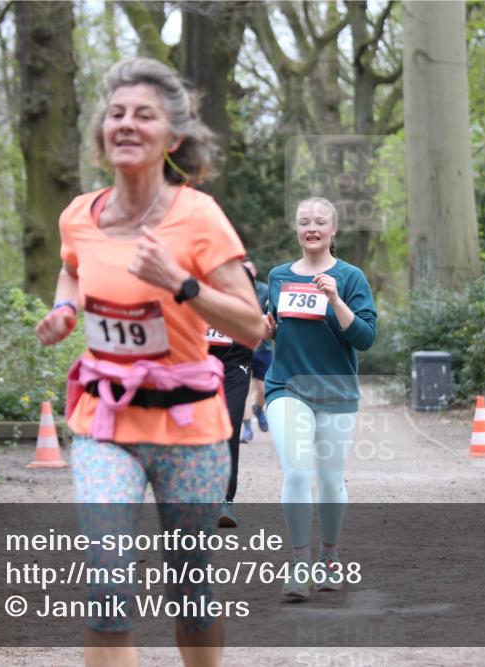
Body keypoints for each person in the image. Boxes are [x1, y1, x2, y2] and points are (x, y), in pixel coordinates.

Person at [34, 57, 263, 667]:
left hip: (190, 430)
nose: (127, 124)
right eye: (116, 114)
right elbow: (71, 267)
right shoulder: (80, 215)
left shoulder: (199, 217)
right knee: (106, 584)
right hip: (105, 424)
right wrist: (64, 308)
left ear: (173, 137)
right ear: (102, 132)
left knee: (191, 591)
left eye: (144, 115)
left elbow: (251, 324)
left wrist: (182, 284)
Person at [263, 197, 377, 602]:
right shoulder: (277, 276)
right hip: (286, 386)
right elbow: (272, 328)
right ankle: (298, 564)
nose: (311, 227)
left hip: (336, 390)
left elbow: (365, 337)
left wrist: (335, 300)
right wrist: (265, 328)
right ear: (296, 229)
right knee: (296, 470)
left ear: (334, 230)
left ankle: (329, 556)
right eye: (304, 221)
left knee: (329, 481)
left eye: (320, 222)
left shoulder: (350, 277)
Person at [205, 257, 259, 528]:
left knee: (228, 425)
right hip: (193, 361)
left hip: (233, 363)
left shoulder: (240, 274)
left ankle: (224, 499)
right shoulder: (182, 267)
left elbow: (252, 315)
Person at [240, 257, 271, 443]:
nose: (247, 272)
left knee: (262, 389)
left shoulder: (265, 290)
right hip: (240, 346)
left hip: (263, 348)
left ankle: (259, 409)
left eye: (250, 269)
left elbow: (271, 315)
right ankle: (247, 429)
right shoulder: (234, 291)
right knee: (242, 390)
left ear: (255, 271)